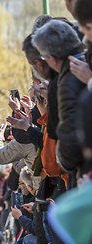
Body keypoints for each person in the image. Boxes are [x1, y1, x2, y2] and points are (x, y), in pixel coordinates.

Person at [32, 19, 87, 187]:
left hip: (82, 175)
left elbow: (65, 136)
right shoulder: (84, 65)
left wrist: (65, 161)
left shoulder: (63, 83)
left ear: (52, 59)